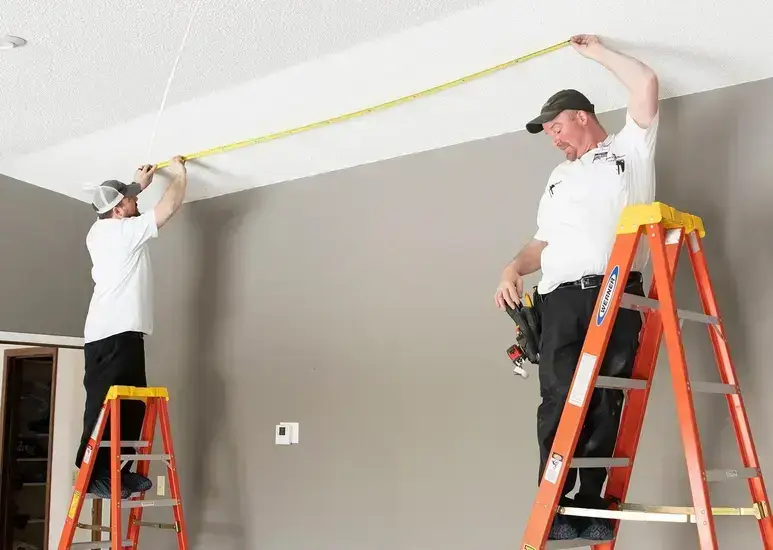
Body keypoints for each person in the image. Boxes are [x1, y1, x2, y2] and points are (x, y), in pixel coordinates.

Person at [494, 35, 659, 542]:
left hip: (616, 291)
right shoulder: (557, 177)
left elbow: (647, 83)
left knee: (606, 396)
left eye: (557, 126)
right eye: (546, 132)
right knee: (559, 397)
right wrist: (512, 267)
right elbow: (542, 242)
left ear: (582, 115)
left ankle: (589, 501)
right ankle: (557, 501)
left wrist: (597, 54)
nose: (553, 138)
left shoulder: (629, 148)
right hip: (560, 297)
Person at [75, 155, 189, 499]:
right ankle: (93, 473)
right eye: (130, 199)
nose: (136, 200)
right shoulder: (121, 233)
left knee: (131, 407)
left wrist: (136, 186)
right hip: (114, 333)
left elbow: (122, 203)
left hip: (117, 333)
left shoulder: (103, 229)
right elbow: (167, 209)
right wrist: (181, 174)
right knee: (105, 408)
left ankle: (115, 473)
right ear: (119, 210)